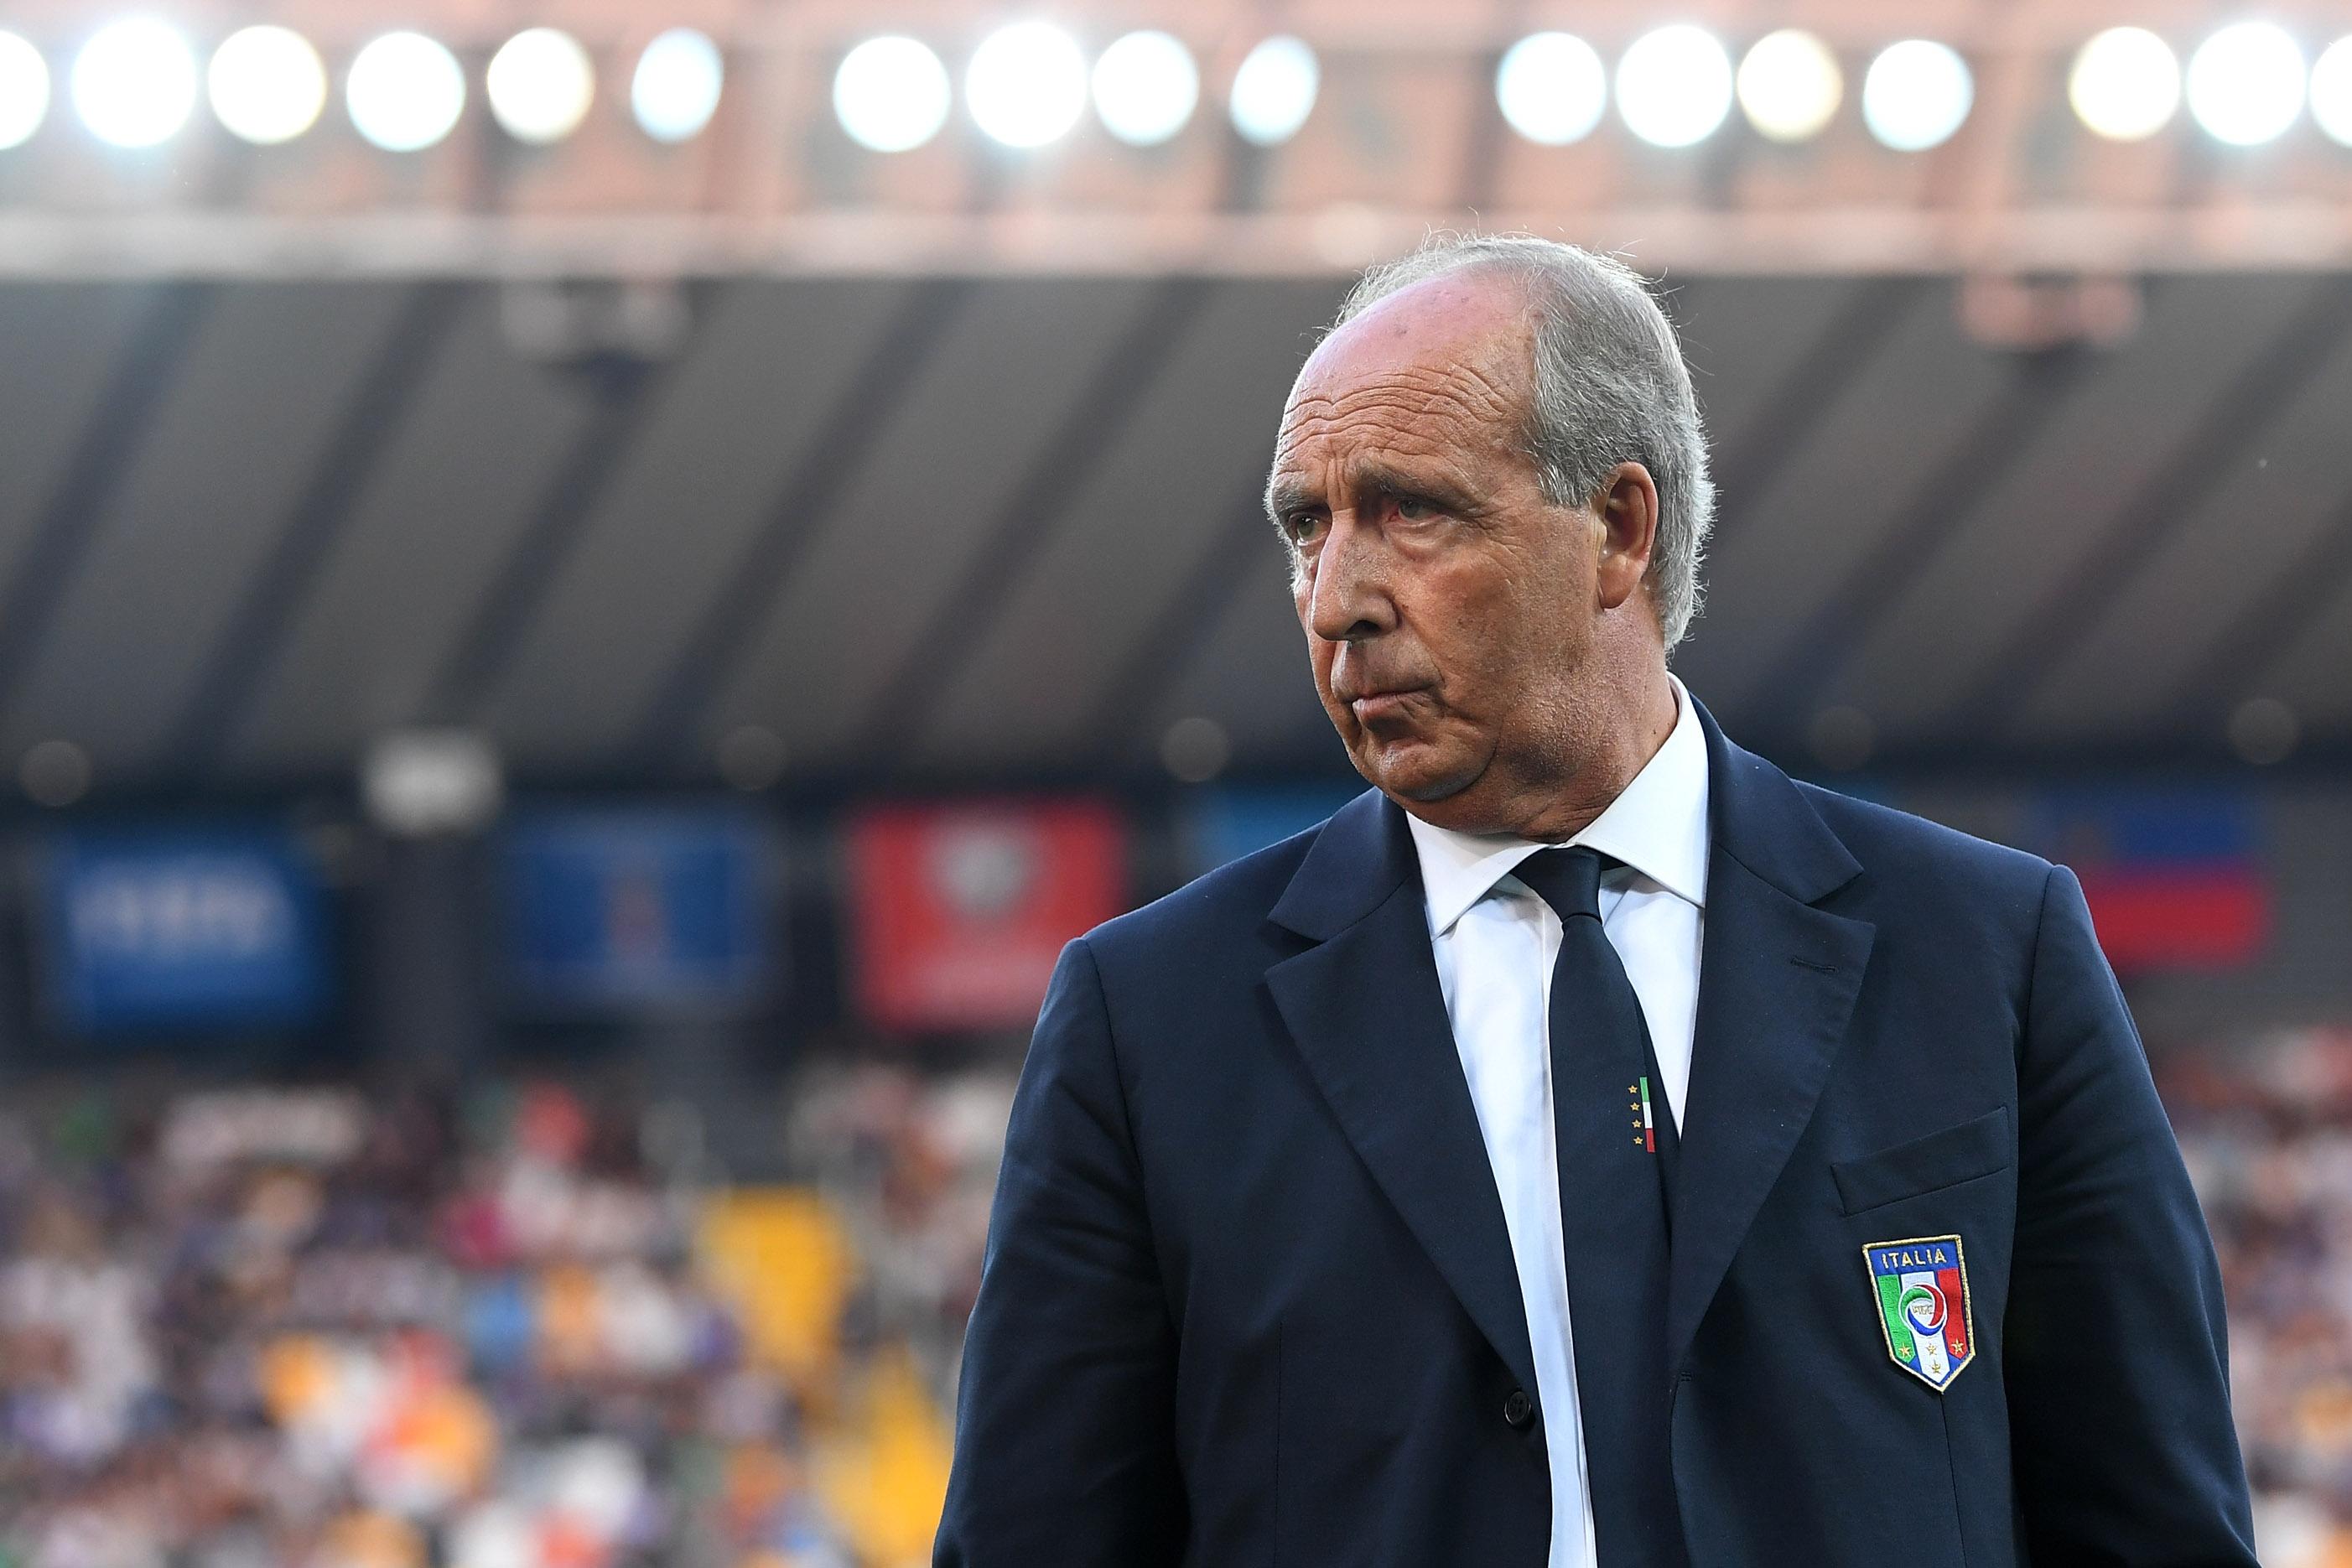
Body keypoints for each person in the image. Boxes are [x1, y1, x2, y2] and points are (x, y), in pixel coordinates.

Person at [932, 235, 2256, 1567]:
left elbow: (2151, 1516)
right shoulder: (1153, 1021)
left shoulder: (1984, 953)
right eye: (1305, 527)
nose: (1336, 600)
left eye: (1410, 509)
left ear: (1618, 530)